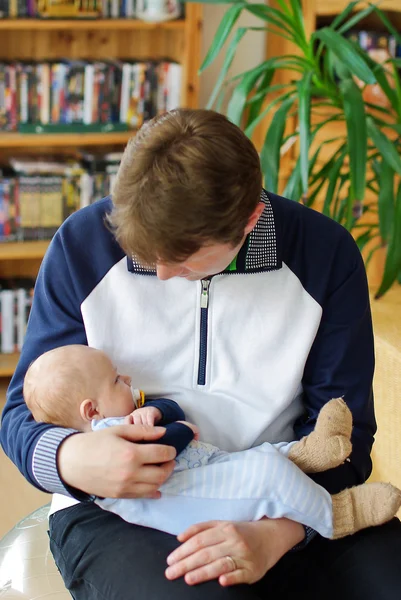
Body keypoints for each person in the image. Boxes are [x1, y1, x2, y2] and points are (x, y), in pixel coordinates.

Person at [1, 108, 401, 600]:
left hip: (290, 490)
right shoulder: (83, 246)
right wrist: (71, 459)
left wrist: (280, 530)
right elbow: (21, 413)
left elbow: (346, 434)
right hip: (129, 513)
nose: (162, 275)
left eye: (184, 259)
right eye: (146, 254)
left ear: (250, 221)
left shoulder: (325, 257)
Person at [24, 344, 401, 540]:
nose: (125, 379)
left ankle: (311, 451)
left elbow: (169, 408)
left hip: (208, 467)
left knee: (263, 457)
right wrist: (180, 428)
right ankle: (339, 516)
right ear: (91, 411)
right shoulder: (104, 443)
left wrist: (157, 412)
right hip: (190, 499)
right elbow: (171, 442)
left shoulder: (127, 414)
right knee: (265, 474)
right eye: (114, 381)